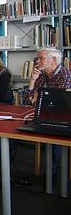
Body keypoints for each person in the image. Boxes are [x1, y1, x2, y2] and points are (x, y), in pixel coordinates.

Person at [24, 47, 71, 179]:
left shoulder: (65, 75)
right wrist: (32, 80)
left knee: (55, 137)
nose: (37, 61)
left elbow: (54, 105)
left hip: (63, 118)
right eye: (36, 58)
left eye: (41, 58)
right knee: (16, 131)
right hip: (43, 115)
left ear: (54, 60)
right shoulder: (41, 75)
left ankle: (50, 176)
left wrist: (37, 99)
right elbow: (27, 101)